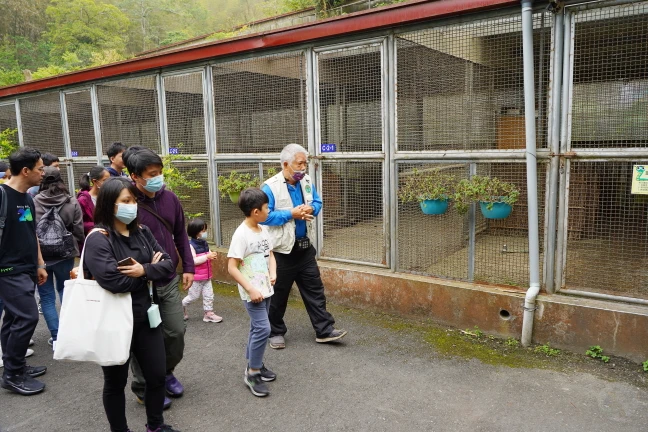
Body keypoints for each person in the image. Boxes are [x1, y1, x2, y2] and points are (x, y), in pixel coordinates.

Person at [82, 177, 179, 432]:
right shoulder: (98, 239)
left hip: (146, 317)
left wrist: (143, 270)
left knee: (157, 376)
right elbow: (112, 281)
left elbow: (169, 263)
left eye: (134, 200)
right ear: (109, 204)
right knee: (115, 383)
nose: (132, 205)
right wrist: (149, 272)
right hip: (114, 322)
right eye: (126, 201)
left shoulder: (142, 232)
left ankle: (155, 425)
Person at [123, 146, 194, 405]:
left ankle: (165, 373)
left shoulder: (170, 198)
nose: (158, 178)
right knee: (144, 338)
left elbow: (180, 235)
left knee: (175, 332)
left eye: (159, 173)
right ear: (135, 176)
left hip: (167, 279)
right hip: (140, 284)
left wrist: (188, 266)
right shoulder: (127, 204)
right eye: (151, 174)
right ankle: (143, 386)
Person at [261, 143, 347, 349]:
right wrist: (291, 213)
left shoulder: (306, 181)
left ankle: (324, 330)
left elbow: (317, 202)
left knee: (315, 290)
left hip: (304, 248)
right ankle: (275, 332)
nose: (303, 168)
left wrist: (311, 208)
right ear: (285, 164)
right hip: (282, 251)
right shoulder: (270, 187)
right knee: (279, 294)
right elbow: (264, 216)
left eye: (305, 164)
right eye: (300, 164)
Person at [0, 147, 48, 395]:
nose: (44, 172)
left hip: (27, 267)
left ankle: (14, 366)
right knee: (27, 317)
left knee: (13, 318)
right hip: (7, 269)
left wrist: (39, 263)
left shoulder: (27, 197)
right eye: (40, 168)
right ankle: (12, 375)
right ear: (26, 170)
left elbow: (31, 233)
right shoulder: (2, 195)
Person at [227, 188, 277, 397]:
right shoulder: (241, 234)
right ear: (256, 211)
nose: (269, 210)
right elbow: (231, 267)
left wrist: (273, 272)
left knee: (257, 327)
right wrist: (250, 288)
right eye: (267, 208)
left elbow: (270, 254)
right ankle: (252, 372)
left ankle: (255, 362)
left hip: (266, 288)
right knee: (263, 329)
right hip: (253, 291)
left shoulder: (262, 229)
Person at [33, 166, 84, 349]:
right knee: (65, 290)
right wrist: (73, 244)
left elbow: (28, 228)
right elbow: (78, 229)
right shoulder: (71, 201)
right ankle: (70, 333)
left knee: (46, 297)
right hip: (65, 254)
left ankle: (56, 338)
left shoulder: (33, 201)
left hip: (41, 258)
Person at [181, 218, 222, 323]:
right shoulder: (190, 246)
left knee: (209, 295)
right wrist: (207, 256)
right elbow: (193, 261)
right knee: (193, 297)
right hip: (196, 278)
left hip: (207, 276)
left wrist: (212, 255)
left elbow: (208, 253)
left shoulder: (204, 243)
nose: (205, 233)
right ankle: (180, 307)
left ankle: (208, 314)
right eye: (203, 230)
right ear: (196, 232)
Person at [77, 166, 110, 236]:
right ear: (95, 181)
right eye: (105, 180)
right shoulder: (82, 200)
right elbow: (80, 223)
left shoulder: (107, 195)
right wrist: (98, 227)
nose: (108, 183)